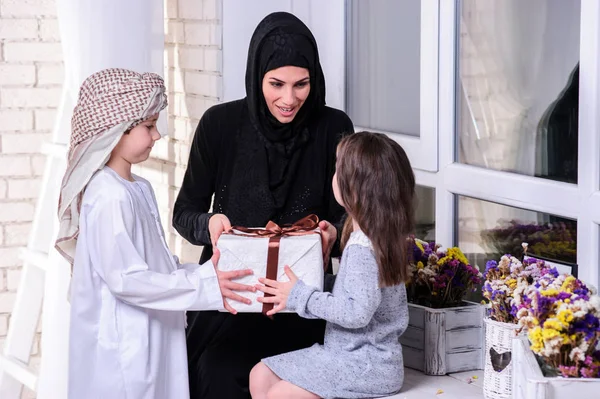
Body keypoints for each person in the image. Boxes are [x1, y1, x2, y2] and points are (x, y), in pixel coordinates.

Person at [172, 11, 355, 399]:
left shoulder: (333, 127)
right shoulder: (219, 125)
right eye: (276, 84)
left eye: (301, 84)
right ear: (257, 76)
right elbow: (183, 211)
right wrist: (210, 224)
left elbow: (349, 217)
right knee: (217, 372)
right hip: (232, 302)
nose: (289, 99)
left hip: (304, 303)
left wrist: (334, 233)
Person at [55, 68, 254, 399]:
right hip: (126, 343)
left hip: (152, 333)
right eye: (148, 126)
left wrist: (209, 273)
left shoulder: (138, 188)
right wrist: (203, 284)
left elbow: (157, 266)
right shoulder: (107, 195)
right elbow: (126, 279)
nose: (157, 135)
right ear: (116, 131)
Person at [249, 132, 415, 399]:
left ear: (356, 187)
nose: (334, 175)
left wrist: (299, 295)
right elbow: (360, 294)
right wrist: (316, 279)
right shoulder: (376, 233)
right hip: (349, 356)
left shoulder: (364, 245)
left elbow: (356, 313)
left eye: (338, 168)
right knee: (261, 374)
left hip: (365, 364)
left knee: (279, 393)